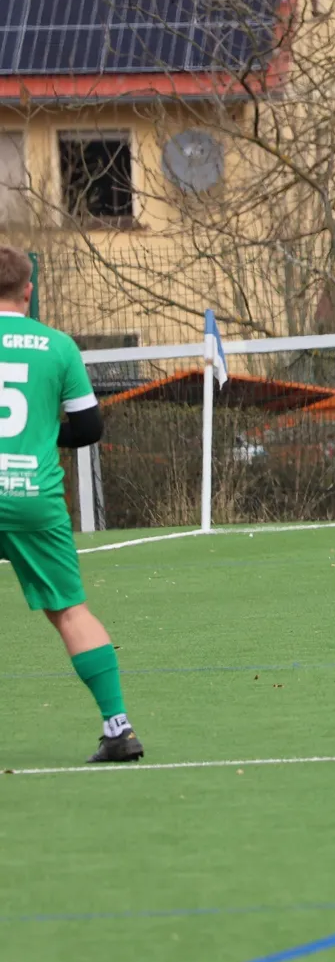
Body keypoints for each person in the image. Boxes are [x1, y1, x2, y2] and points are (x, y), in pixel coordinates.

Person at [0, 246, 143, 762]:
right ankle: (119, 727)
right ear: (28, 290)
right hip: (33, 495)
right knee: (68, 610)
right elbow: (87, 428)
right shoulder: (58, 346)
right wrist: (40, 435)